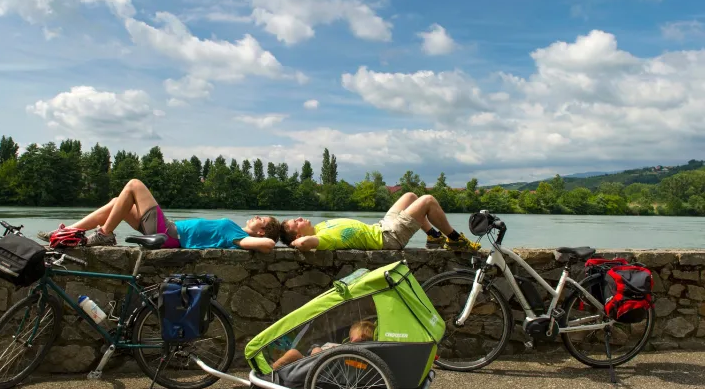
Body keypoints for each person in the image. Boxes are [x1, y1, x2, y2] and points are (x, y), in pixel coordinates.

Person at [37, 179, 280, 252]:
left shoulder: (238, 236)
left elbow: (268, 245)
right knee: (116, 203)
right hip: (167, 231)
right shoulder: (236, 232)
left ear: (261, 231)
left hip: (168, 234)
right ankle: (69, 232)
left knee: (134, 185)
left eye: (262, 220)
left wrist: (266, 239)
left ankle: (104, 234)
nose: (257, 216)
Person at [280, 193, 480, 252]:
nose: (299, 218)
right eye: (295, 223)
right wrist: (294, 243)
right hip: (389, 238)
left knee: (410, 196)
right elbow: (305, 244)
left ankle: (433, 237)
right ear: (298, 234)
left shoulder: (320, 227)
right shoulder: (322, 239)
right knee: (427, 201)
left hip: (381, 227)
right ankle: (455, 239)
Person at [271, 320, 375, 370]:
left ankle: (272, 369)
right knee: (296, 353)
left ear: (362, 337)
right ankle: (275, 367)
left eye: (352, 338)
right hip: (323, 364)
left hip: (323, 368)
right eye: (350, 339)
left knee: (295, 353)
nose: (351, 341)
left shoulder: (360, 351)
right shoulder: (361, 350)